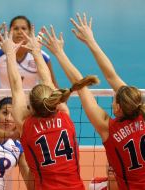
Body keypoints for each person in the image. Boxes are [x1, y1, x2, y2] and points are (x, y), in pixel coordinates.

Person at [39, 13, 145, 190]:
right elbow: (112, 77)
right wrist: (91, 41)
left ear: (117, 107)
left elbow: (81, 85)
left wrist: (59, 52)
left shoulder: (108, 129)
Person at [0, 23, 101, 190]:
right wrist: (36, 51)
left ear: (31, 105)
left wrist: (9, 53)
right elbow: (48, 82)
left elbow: (16, 86)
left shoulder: (26, 124)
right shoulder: (64, 115)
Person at [0, 15, 58, 122]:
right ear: (9, 31)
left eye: (23, 28)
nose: (19, 31)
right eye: (15, 28)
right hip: (3, 104)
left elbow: (52, 85)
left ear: (30, 32)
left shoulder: (41, 56)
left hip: (31, 107)